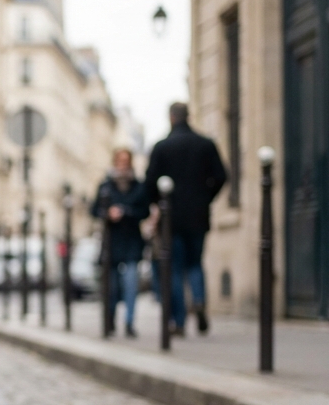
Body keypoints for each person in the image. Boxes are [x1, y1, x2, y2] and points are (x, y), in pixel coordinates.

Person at [145, 102, 227, 336]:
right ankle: (199, 300)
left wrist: (158, 204)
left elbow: (150, 182)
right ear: (187, 116)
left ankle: (179, 322)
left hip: (172, 217)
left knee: (175, 268)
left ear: (171, 117)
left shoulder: (162, 147)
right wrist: (205, 197)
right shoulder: (205, 144)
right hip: (198, 216)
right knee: (195, 263)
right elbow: (221, 176)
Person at [91, 149, 149, 338]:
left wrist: (126, 211)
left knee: (131, 284)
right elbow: (94, 210)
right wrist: (107, 214)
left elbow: (145, 211)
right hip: (112, 242)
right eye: (120, 160)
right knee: (112, 286)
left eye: (126, 161)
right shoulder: (106, 186)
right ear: (115, 162)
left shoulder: (138, 186)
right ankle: (110, 320)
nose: (123, 164)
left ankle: (129, 322)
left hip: (132, 241)